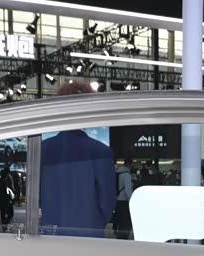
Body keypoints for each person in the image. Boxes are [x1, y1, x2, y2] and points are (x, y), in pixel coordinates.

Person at [40, 82, 116, 237]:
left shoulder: (42, 149)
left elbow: (36, 196)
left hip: (51, 235)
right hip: (89, 236)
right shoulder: (101, 151)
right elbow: (107, 203)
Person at [113, 158, 134, 240]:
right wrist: (131, 201)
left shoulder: (117, 173)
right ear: (130, 165)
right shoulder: (126, 175)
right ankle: (123, 237)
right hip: (124, 201)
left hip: (117, 200)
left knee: (120, 220)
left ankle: (118, 234)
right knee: (125, 221)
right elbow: (128, 190)